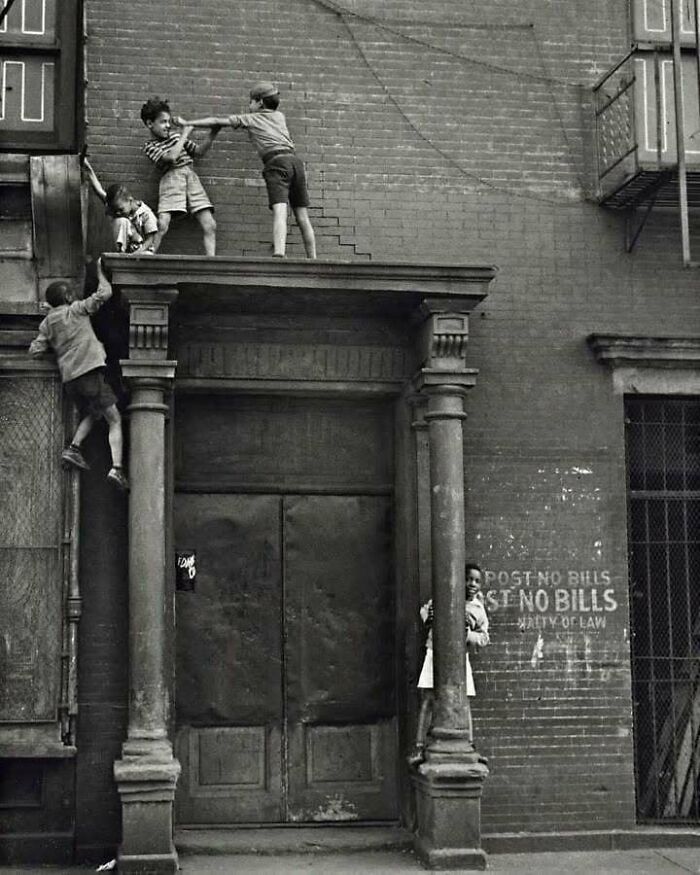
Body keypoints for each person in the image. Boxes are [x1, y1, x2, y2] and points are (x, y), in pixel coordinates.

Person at [180, 81, 316, 259]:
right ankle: (313, 258)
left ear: (259, 103)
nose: (248, 105)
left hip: (276, 163)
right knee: (302, 216)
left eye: (250, 102)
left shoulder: (251, 118)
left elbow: (216, 121)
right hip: (295, 162)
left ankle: (279, 254)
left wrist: (187, 122)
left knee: (280, 211)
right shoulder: (280, 116)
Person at [28, 259, 129, 491]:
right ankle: (117, 468)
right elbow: (106, 292)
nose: (74, 295)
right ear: (67, 298)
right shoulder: (77, 310)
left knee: (94, 414)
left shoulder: (47, 324)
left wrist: (52, 316)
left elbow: (36, 351)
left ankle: (73, 448)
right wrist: (99, 271)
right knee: (114, 419)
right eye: (71, 293)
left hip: (72, 380)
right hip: (90, 372)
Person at [408, 562, 490, 766]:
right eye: (468, 579)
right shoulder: (443, 597)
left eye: (477, 581)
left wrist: (468, 634)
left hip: (460, 658)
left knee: (464, 703)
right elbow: (424, 611)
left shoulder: (478, 609)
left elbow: (484, 637)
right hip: (434, 652)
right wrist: (429, 618)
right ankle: (419, 747)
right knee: (428, 699)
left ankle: (469, 745)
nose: (472, 584)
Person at [140, 96, 219, 255]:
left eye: (169, 121)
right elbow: (171, 158)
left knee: (210, 225)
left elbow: (198, 152)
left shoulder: (176, 137)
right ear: (150, 124)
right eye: (163, 122)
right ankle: (148, 255)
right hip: (171, 179)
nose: (168, 125)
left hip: (191, 176)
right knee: (162, 224)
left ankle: (212, 264)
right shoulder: (150, 146)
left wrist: (213, 133)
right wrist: (185, 132)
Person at [82, 156, 158, 254]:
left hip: (143, 252)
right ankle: (120, 253)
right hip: (128, 251)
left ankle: (123, 257)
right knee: (100, 263)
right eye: (116, 209)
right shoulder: (118, 205)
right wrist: (87, 166)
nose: (118, 212)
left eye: (121, 209)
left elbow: (150, 241)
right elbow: (99, 190)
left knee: (122, 221)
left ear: (130, 200)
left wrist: (136, 254)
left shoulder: (146, 214)